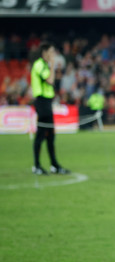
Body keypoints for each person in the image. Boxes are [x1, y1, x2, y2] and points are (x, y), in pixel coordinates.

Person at [30, 42, 69, 175]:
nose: (53, 55)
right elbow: (50, 80)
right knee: (41, 135)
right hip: (41, 102)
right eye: (51, 52)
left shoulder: (44, 65)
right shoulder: (39, 64)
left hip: (47, 103)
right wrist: (52, 64)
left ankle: (54, 165)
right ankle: (36, 166)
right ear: (45, 52)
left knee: (51, 136)